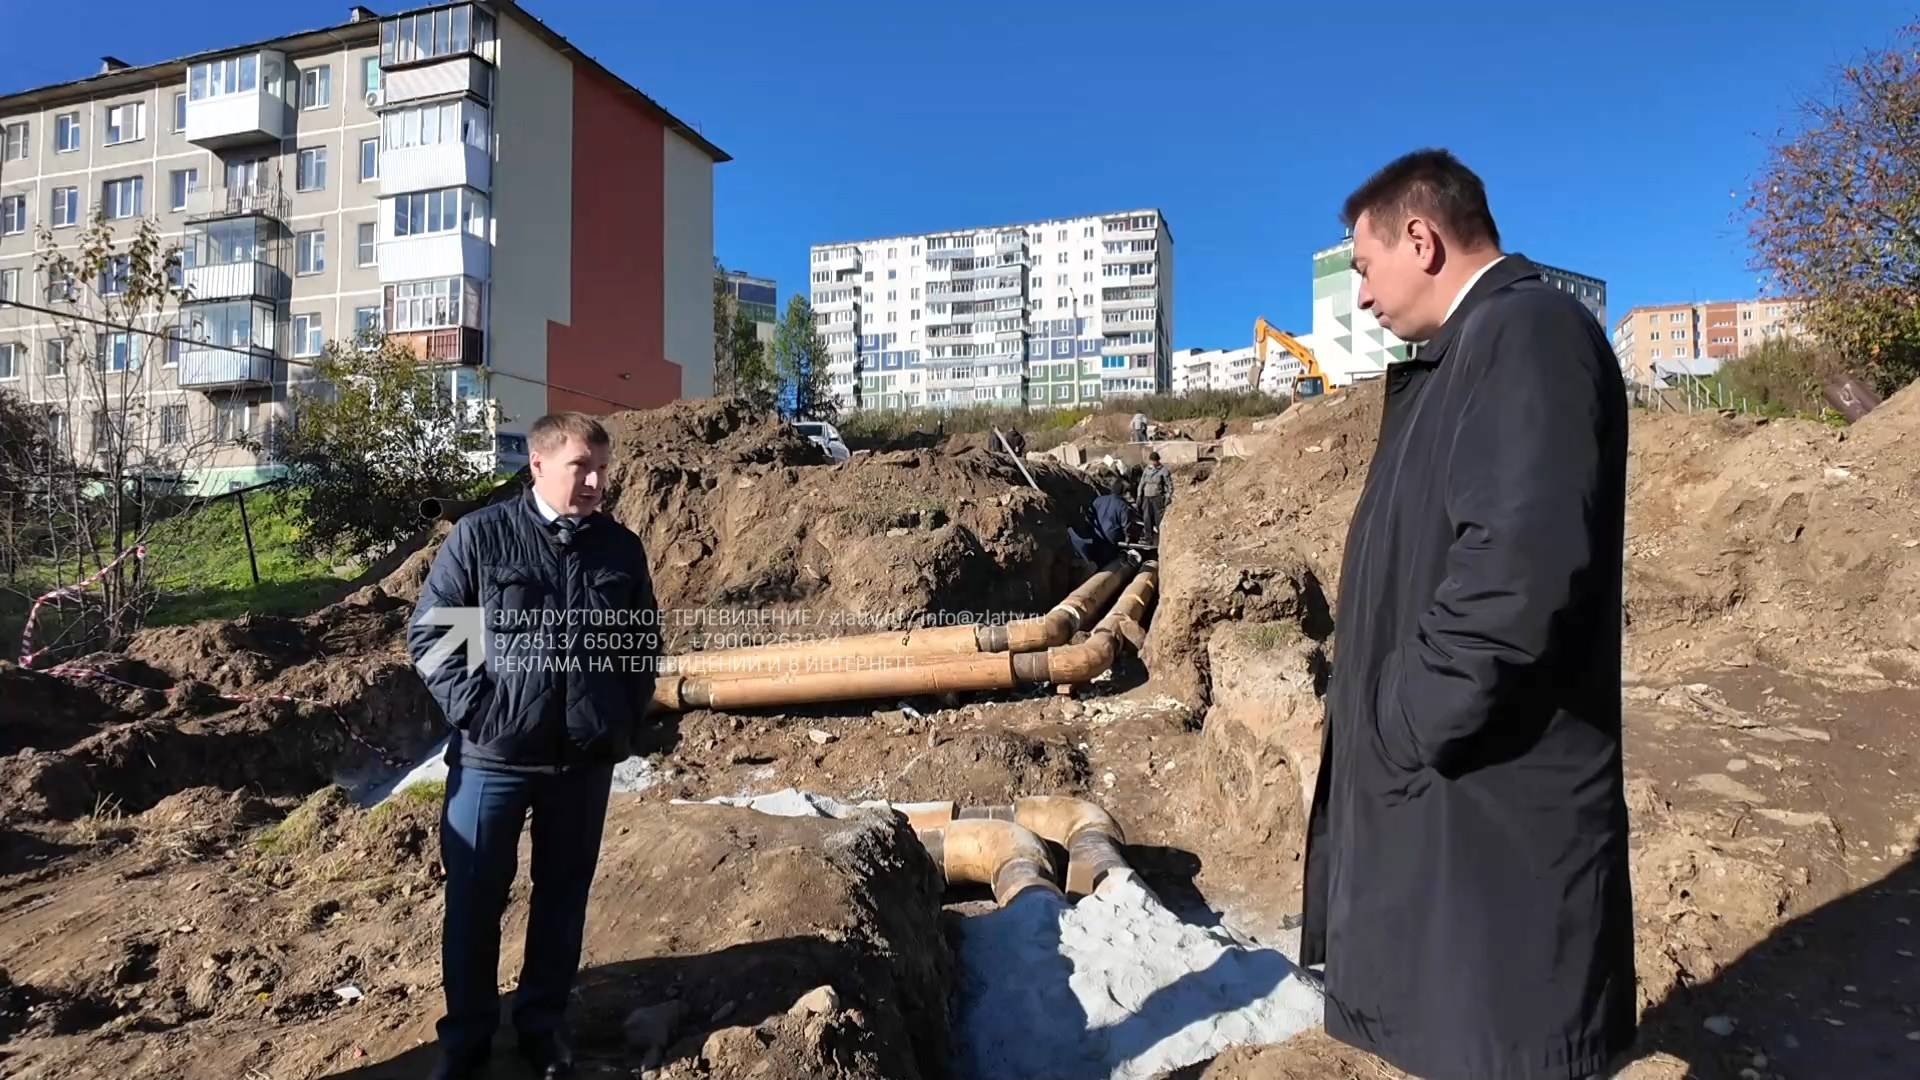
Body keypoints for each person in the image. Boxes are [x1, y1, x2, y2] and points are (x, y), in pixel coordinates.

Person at [1299, 148, 1634, 1080]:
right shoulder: (1465, 357)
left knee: (1500, 1042)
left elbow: (1515, 571)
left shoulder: (1528, 336)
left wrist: (1407, 718)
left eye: (1364, 268)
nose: (1362, 298)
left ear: (1422, 238)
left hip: (1492, 805)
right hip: (1457, 799)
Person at [409, 412, 662, 1080]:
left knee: (561, 899)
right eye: (583, 466)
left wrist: (622, 716)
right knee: (473, 901)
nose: (597, 482)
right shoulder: (483, 538)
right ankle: (465, 1041)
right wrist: (485, 715)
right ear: (539, 464)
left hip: (581, 762)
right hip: (493, 761)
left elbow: (641, 642)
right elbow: (437, 637)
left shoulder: (618, 548)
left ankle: (542, 1032)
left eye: (603, 468)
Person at [1091, 475, 1135, 552]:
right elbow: (1126, 526)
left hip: (1097, 535)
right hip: (1113, 537)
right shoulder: (1122, 505)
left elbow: (1091, 513)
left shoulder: (1099, 500)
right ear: (1124, 492)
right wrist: (1128, 540)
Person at [1136, 452, 1172, 542]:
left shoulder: (1163, 470)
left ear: (1158, 460)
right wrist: (1139, 495)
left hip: (1157, 497)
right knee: (1146, 517)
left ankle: (1161, 538)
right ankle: (1148, 537)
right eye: (1152, 461)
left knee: (1158, 518)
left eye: (1155, 461)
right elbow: (1142, 483)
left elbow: (1169, 485)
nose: (1153, 463)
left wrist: (1168, 496)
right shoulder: (1147, 469)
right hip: (1147, 497)